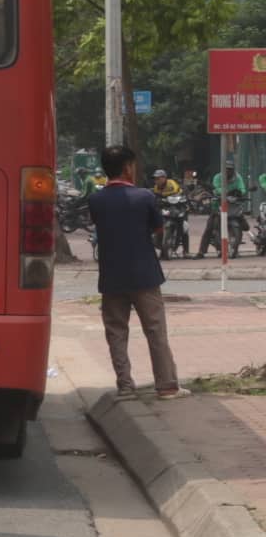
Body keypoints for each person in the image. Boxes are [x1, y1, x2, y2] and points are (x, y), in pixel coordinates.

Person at [89, 145, 188, 401]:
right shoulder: (144, 197)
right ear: (127, 167)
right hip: (145, 274)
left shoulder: (96, 200)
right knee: (155, 330)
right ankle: (166, 385)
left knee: (116, 331)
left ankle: (125, 386)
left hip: (111, 276)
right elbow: (158, 230)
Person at [199, 161, 252, 257]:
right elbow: (217, 188)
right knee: (209, 228)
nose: (228, 171)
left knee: (245, 225)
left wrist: (240, 192)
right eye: (226, 169)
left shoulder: (237, 177)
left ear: (233, 170)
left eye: (230, 169)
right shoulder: (218, 177)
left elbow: (242, 188)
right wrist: (225, 192)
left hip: (233, 205)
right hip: (219, 205)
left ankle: (235, 245)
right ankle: (201, 252)